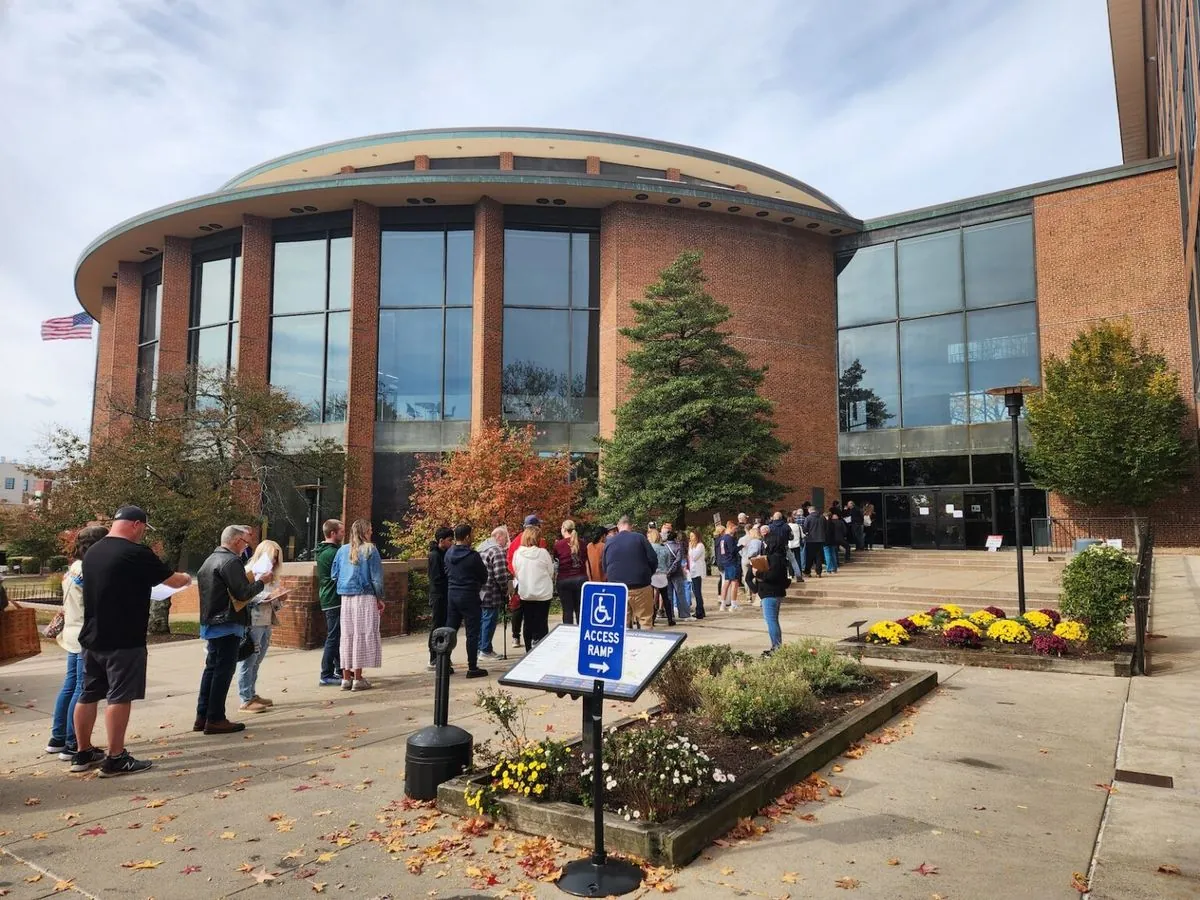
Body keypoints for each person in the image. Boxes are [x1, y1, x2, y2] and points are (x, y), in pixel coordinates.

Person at [73, 506, 190, 776]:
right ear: (136, 525)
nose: (143, 534)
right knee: (119, 696)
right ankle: (115, 758)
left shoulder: (93, 552)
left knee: (88, 693)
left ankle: (82, 752)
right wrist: (186, 578)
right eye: (144, 529)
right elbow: (172, 581)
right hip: (124, 638)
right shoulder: (136, 553)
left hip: (92, 636)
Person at [196, 524, 271, 735]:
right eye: (246, 543)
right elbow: (242, 592)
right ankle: (216, 718)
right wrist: (260, 581)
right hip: (227, 623)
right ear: (237, 541)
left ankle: (203, 715)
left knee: (211, 669)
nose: (246, 547)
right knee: (223, 670)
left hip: (211, 621)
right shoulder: (231, 561)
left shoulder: (209, 560)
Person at [46, 525, 108, 761]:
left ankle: (58, 737)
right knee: (83, 690)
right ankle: (74, 743)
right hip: (85, 634)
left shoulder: (73, 568)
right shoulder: (91, 570)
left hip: (72, 632)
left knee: (70, 685)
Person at [330, 519, 385, 691]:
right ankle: (358, 678)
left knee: (347, 636)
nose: (371, 533)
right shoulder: (370, 549)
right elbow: (376, 577)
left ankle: (346, 678)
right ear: (364, 532)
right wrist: (380, 598)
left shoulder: (342, 550)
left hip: (346, 597)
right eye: (369, 530)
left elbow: (334, 575)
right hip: (365, 596)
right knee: (361, 635)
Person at [236, 540, 288, 714]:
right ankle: (245, 698)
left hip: (266, 620)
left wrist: (279, 598)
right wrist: (267, 595)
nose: (274, 562)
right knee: (249, 659)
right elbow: (244, 596)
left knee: (257, 660)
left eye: (276, 559)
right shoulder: (249, 572)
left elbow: (272, 599)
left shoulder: (271, 574)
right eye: (272, 558)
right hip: (253, 621)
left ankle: (251, 693)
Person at [444, 523, 490, 677]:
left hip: (452, 594)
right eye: (472, 535)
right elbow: (484, 576)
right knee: (472, 632)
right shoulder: (472, 556)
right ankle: (472, 667)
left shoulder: (448, 554)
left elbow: (446, 572)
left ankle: (444, 664)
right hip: (469, 595)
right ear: (467, 537)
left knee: (450, 630)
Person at [603, 516, 658, 629]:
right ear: (631, 526)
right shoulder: (640, 538)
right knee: (645, 620)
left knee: (622, 623)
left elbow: (604, 565)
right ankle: (645, 645)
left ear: (618, 527)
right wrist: (647, 574)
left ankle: (625, 645)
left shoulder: (610, 542)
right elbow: (653, 558)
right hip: (640, 584)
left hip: (618, 588)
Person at [747, 527, 790, 655]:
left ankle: (776, 647)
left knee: (771, 620)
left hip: (769, 592)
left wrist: (757, 573)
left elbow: (771, 576)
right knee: (773, 620)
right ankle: (776, 646)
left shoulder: (774, 558)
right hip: (775, 592)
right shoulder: (781, 557)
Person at [511, 525, 555, 648]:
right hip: (543, 593)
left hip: (526, 592)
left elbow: (516, 571)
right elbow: (550, 571)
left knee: (528, 622)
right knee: (542, 622)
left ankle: (528, 649)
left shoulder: (517, 554)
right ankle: (542, 648)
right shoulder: (543, 553)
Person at [507, 515, 545, 649]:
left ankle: (515, 636)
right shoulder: (540, 541)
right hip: (532, 580)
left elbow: (509, 561)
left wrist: (516, 574)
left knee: (517, 608)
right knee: (532, 610)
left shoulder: (514, 541)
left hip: (517, 578)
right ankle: (533, 637)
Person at [316, 519, 344, 686]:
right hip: (334, 598)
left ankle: (339, 669)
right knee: (333, 637)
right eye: (341, 531)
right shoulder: (333, 553)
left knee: (337, 636)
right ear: (333, 533)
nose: (343, 534)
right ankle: (326, 674)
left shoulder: (323, 551)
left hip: (328, 597)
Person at [477, 526, 511, 661]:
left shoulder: (482, 549)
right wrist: (505, 590)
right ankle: (485, 650)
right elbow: (501, 575)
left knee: (482, 621)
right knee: (489, 621)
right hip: (492, 592)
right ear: (500, 537)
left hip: (480, 591)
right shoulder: (497, 551)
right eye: (506, 538)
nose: (506, 542)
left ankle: (481, 648)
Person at [426, 526, 454, 671]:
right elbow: (436, 578)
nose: (452, 542)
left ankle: (440, 654)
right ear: (441, 541)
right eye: (449, 540)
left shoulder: (443, 553)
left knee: (442, 625)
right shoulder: (435, 556)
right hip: (438, 595)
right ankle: (434, 657)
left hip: (443, 595)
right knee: (437, 626)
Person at [554, 519, 590, 625]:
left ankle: (568, 635)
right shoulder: (583, 544)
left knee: (567, 611)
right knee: (580, 610)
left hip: (564, 579)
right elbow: (586, 562)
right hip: (580, 579)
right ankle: (581, 634)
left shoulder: (558, 545)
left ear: (564, 529)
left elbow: (557, 561)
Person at [647, 528, 675, 626]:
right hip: (663, 575)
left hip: (653, 575)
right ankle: (670, 619)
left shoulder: (650, 548)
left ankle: (652, 619)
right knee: (665, 598)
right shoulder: (664, 548)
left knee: (651, 598)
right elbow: (668, 562)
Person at [663, 525, 690, 621]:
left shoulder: (664, 547)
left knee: (669, 595)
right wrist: (672, 570)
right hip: (677, 573)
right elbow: (678, 560)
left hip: (666, 573)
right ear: (675, 538)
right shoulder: (678, 547)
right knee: (680, 594)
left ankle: (670, 615)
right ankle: (684, 614)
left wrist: (667, 571)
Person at [715, 521, 741, 610]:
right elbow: (733, 550)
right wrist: (741, 546)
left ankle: (723, 603)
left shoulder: (722, 538)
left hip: (725, 561)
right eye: (734, 528)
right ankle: (733, 603)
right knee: (734, 582)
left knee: (726, 582)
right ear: (730, 527)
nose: (735, 530)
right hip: (731, 561)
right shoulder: (729, 538)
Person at [741, 524, 764, 606]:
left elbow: (754, 551)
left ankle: (757, 591)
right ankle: (759, 594)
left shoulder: (754, 541)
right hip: (757, 561)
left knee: (748, 578)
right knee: (757, 579)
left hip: (754, 561)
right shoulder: (759, 541)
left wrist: (749, 555)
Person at [686, 529, 707, 620]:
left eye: (692, 536)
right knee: (695, 591)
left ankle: (699, 611)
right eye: (690, 536)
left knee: (697, 591)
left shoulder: (700, 546)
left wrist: (690, 548)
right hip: (692, 571)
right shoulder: (693, 546)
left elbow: (694, 557)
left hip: (697, 571)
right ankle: (701, 610)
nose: (691, 538)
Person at [802, 505, 826, 578]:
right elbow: (825, 527)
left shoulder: (808, 518)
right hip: (820, 539)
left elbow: (805, 529)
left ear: (810, 510)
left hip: (811, 540)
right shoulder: (822, 517)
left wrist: (806, 533)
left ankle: (807, 572)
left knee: (809, 557)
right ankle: (818, 572)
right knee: (819, 556)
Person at [787, 511, 805, 581]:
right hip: (797, 544)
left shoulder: (787, 526)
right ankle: (799, 573)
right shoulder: (798, 526)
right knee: (798, 559)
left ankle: (791, 574)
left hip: (789, 545)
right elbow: (802, 535)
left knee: (790, 560)